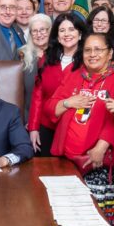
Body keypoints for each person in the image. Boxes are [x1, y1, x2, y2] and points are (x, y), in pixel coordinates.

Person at [48, 34, 114, 226]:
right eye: (87, 50)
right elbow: (50, 106)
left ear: (110, 53)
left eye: (98, 49)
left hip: (97, 162)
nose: (92, 54)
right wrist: (68, 102)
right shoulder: (73, 75)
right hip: (65, 160)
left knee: (95, 221)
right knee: (66, 215)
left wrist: (101, 148)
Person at [28, 13, 87, 156]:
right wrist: (33, 128)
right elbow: (38, 96)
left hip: (74, 127)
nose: (67, 34)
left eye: (71, 29)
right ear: (57, 36)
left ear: (80, 34)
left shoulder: (88, 62)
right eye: (62, 30)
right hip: (46, 126)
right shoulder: (47, 59)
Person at [20, 14, 52, 119]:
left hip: (53, 115)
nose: (39, 34)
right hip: (28, 115)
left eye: (43, 30)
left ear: (50, 31)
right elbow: (19, 92)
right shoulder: (22, 55)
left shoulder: (59, 53)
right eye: (34, 31)